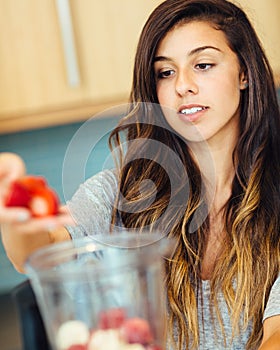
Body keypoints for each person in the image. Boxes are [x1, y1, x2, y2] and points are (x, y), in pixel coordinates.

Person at [0, 0, 279, 348]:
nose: (183, 86)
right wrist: (15, 213)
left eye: (203, 64)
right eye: (166, 72)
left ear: (244, 73)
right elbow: (42, 249)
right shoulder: (123, 193)